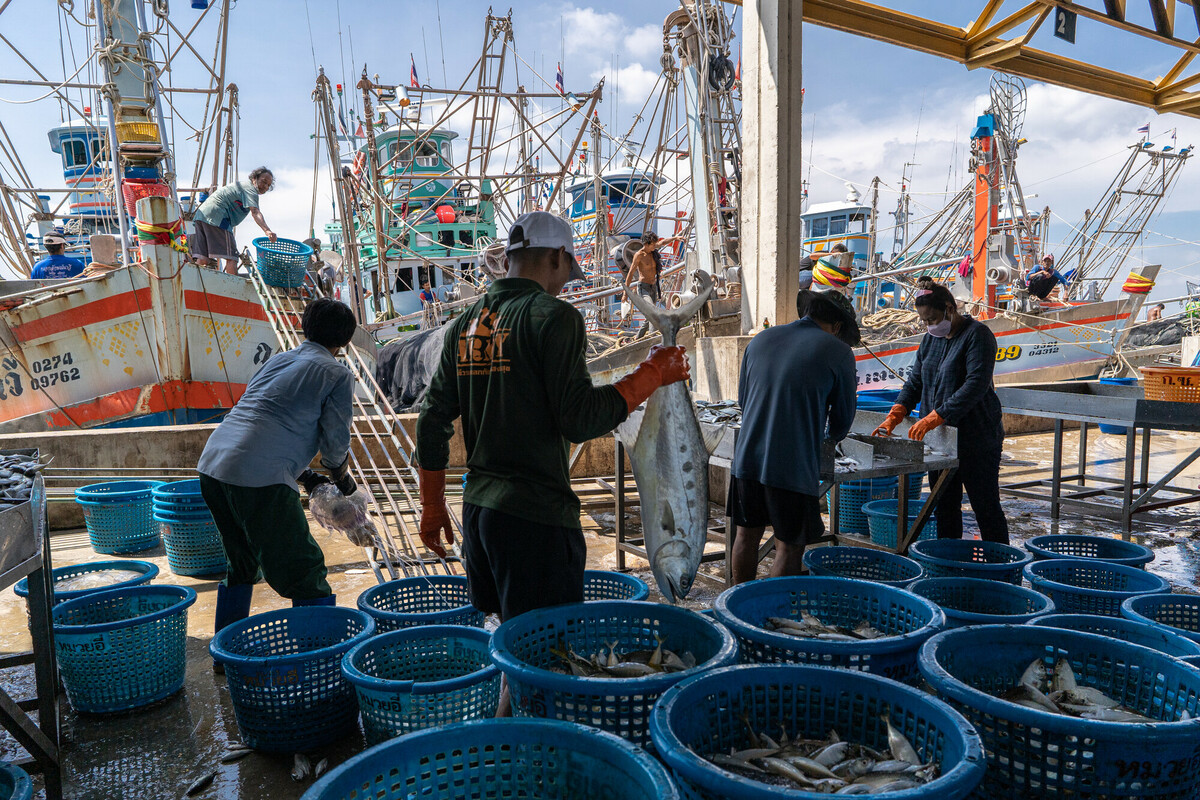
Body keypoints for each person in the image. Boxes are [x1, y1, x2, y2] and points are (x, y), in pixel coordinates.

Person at [415, 211, 690, 714]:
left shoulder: (463, 323)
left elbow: (431, 420)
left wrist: (432, 509)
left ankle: (500, 739)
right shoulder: (555, 317)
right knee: (546, 658)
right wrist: (650, 376)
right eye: (568, 270)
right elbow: (580, 418)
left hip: (481, 516)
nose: (567, 284)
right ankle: (529, 755)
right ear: (557, 257)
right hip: (535, 521)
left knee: (515, 648)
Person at [198, 298, 359, 651]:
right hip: (259, 478)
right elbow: (335, 439)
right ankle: (316, 658)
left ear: (305, 326)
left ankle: (225, 654)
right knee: (305, 570)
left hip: (213, 465)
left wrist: (308, 478)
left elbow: (265, 421)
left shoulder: (280, 359)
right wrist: (342, 479)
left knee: (240, 561)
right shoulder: (336, 373)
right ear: (345, 340)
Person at [729, 288, 859, 583]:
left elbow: (743, 399)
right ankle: (772, 619)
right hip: (792, 465)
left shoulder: (761, 339)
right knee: (788, 546)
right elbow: (841, 424)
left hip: (746, 459)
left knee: (746, 536)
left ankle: (735, 608)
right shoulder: (839, 351)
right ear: (838, 326)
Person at [872, 277, 1009, 544]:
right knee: (945, 506)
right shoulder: (929, 340)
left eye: (933, 319)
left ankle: (998, 564)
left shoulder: (977, 335)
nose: (929, 325)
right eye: (924, 321)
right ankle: (949, 562)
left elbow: (975, 385)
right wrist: (896, 414)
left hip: (977, 438)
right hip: (941, 441)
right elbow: (915, 380)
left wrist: (936, 416)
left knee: (986, 507)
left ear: (949, 308)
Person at [190, 167, 277, 275]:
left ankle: (196, 287)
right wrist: (267, 230)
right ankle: (233, 290)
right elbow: (255, 212)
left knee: (203, 259)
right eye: (264, 182)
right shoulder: (250, 189)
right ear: (254, 178)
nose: (265, 187)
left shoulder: (244, 187)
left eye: (268, 185)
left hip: (201, 215)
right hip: (217, 216)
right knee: (232, 257)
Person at [624, 231, 683, 303]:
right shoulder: (639, 255)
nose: (655, 246)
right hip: (644, 287)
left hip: (653, 286)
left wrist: (675, 238)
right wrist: (625, 294)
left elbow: (663, 242)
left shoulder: (653, 250)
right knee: (650, 305)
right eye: (653, 244)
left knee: (652, 311)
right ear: (646, 244)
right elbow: (630, 273)